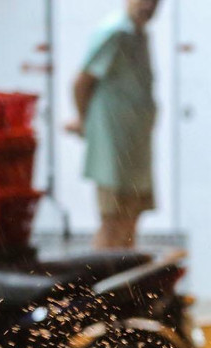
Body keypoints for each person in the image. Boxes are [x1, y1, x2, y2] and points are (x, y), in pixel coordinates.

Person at [67, 0, 160, 250]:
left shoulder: (138, 34)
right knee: (113, 221)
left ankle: (123, 287)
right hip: (113, 144)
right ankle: (95, 288)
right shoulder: (114, 32)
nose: (149, 6)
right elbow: (81, 82)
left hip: (135, 145)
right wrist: (82, 119)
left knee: (130, 219)